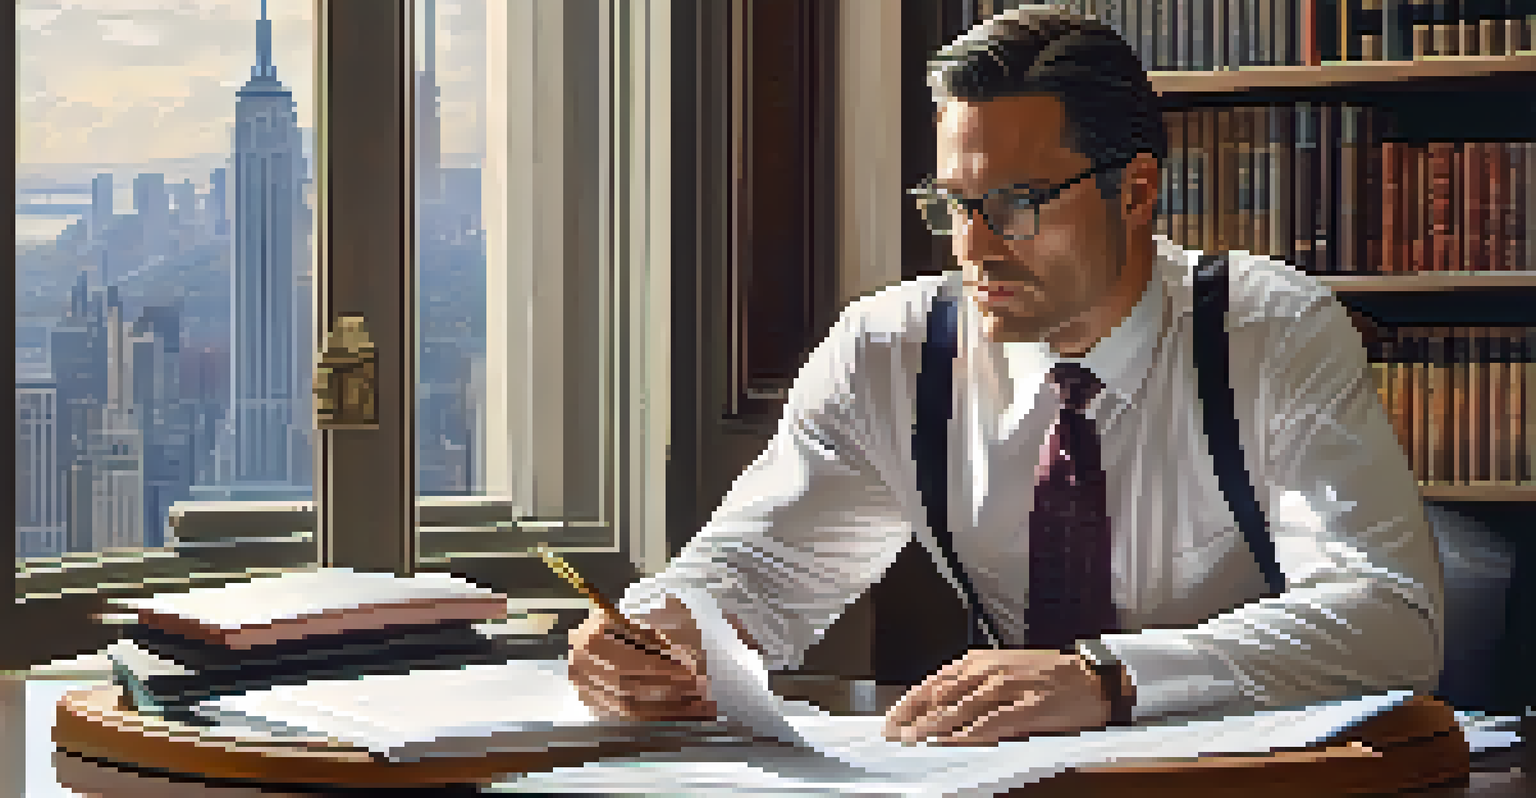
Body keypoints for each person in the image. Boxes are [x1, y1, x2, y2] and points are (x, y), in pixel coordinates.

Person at [568, 5, 1444, 746]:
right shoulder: (891, 349)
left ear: (1135, 192)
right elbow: (755, 572)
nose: (973, 247)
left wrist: (1109, 680)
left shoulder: (1270, 331)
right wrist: (659, 632)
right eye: (953, 204)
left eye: (1015, 205)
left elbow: (1388, 619)